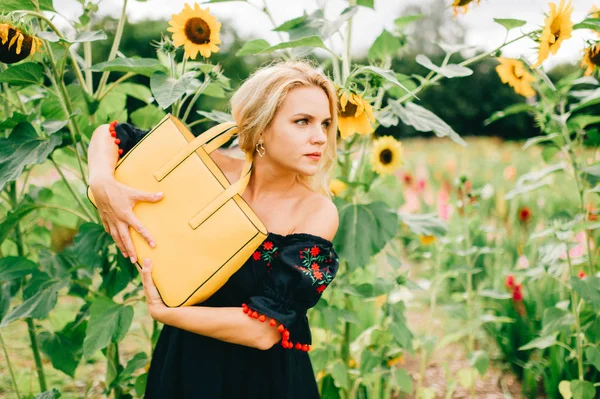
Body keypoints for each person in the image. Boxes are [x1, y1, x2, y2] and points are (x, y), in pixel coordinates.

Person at [87, 59, 340, 398]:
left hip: (266, 382)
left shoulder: (316, 211)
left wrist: (167, 313)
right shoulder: (207, 168)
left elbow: (263, 332)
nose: (320, 137)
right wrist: (102, 181)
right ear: (259, 125)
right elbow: (112, 134)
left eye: (325, 123)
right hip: (186, 366)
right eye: (302, 122)